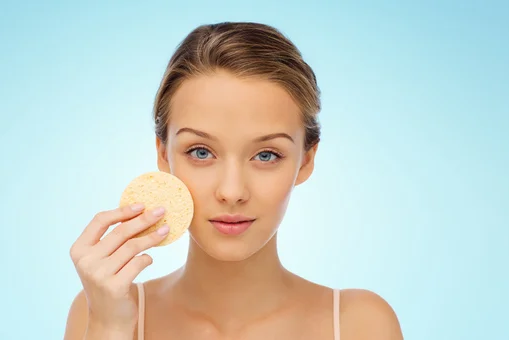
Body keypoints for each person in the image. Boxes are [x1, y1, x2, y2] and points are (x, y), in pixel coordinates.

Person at [64, 21, 403, 340]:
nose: (231, 192)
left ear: (306, 160)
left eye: (266, 155)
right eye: (200, 152)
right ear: (164, 155)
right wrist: (109, 327)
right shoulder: (100, 310)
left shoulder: (359, 324)